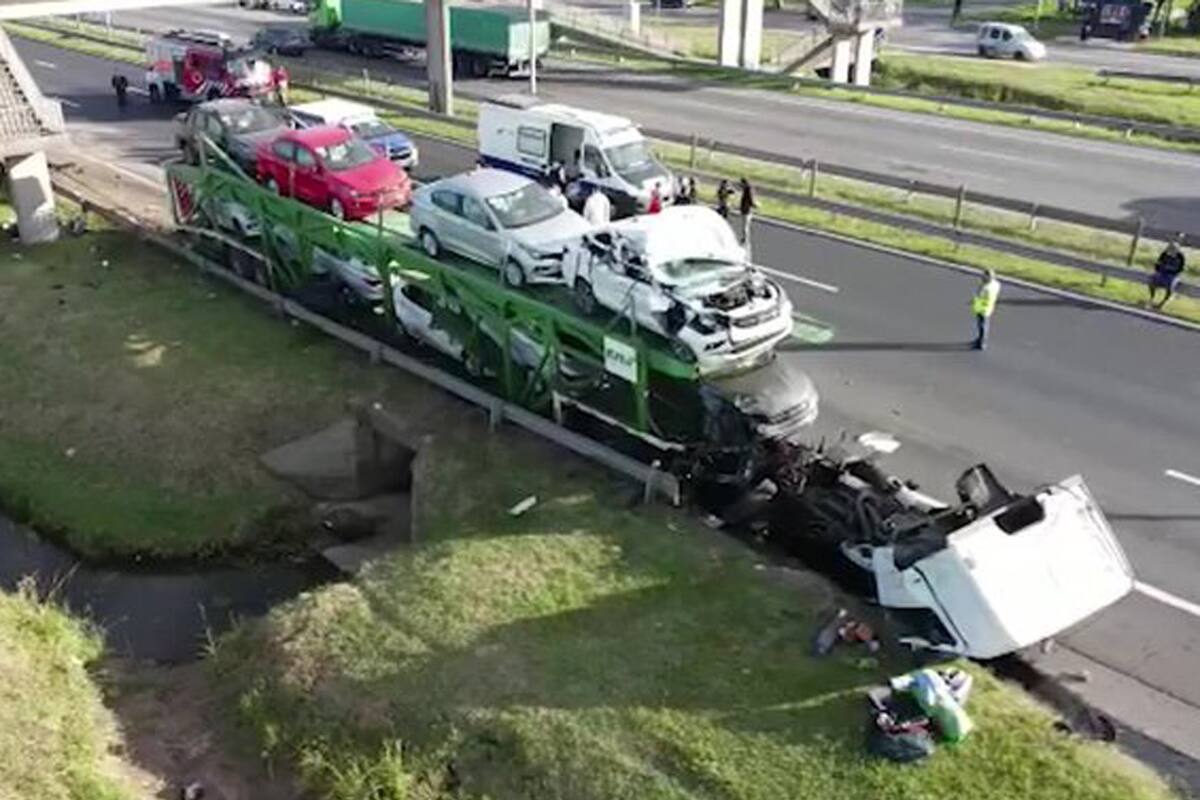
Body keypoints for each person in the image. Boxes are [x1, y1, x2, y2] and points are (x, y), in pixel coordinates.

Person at [1149, 238, 1186, 308]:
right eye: (1169, 249)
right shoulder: (1164, 254)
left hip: (1173, 275)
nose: (1170, 251)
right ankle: (1152, 298)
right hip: (1162, 273)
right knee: (1153, 279)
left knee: (1171, 284)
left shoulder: (1180, 257)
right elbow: (1157, 264)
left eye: (1173, 249)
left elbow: (1181, 269)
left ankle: (1163, 303)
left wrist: (1170, 269)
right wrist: (1159, 268)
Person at [971, 269, 1001, 351]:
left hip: (982, 308)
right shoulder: (996, 284)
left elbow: (978, 294)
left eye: (984, 276)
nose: (982, 277)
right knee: (983, 325)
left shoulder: (985, 287)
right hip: (989, 307)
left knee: (982, 326)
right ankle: (980, 339)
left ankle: (981, 343)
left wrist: (981, 286)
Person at [737, 177, 756, 245]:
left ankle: (745, 240)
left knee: (745, 226)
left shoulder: (748, 190)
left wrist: (754, 205)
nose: (740, 185)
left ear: (744, 183)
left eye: (741, 184)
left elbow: (751, 200)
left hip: (746, 211)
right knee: (745, 226)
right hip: (745, 210)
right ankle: (745, 238)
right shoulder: (747, 189)